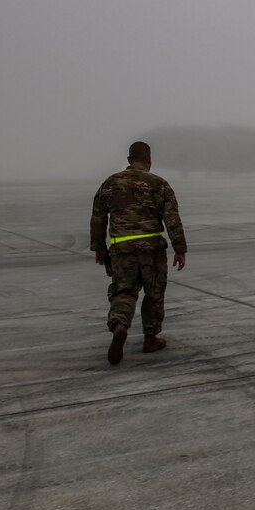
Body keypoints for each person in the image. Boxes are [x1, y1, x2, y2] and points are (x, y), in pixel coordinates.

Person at [90, 141, 187, 365]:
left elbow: (98, 217)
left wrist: (99, 248)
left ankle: (120, 324)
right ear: (149, 159)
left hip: (121, 249)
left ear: (128, 160)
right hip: (151, 249)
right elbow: (172, 219)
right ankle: (150, 338)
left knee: (124, 292)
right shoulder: (159, 184)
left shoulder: (110, 183)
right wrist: (180, 249)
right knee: (154, 293)